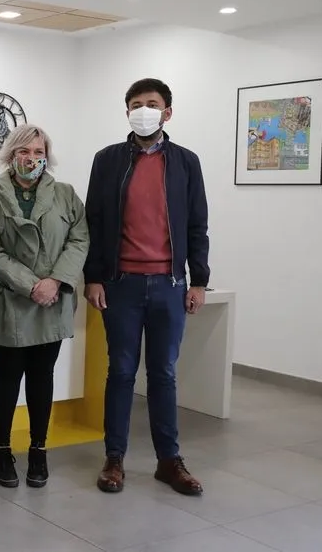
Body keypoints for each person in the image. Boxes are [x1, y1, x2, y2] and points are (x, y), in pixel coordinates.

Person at [83, 78, 210, 497]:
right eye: (136, 104)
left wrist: (200, 280)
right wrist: (94, 276)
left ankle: (168, 461)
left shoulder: (186, 163)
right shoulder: (107, 160)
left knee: (163, 374)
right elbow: (95, 223)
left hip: (170, 286)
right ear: (127, 112)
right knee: (120, 372)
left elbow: (196, 225)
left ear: (167, 112)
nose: (143, 110)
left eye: (151, 104)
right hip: (120, 286)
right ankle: (114, 458)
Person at [0, 124, 89, 489]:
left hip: (52, 301)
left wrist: (54, 281)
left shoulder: (66, 195)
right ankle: (4, 450)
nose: (32, 159)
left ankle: (38, 449)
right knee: (7, 377)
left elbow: (80, 238)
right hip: (8, 300)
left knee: (42, 377)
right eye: (25, 151)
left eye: (39, 153)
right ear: (10, 155)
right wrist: (31, 285)